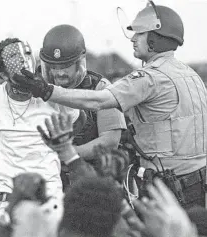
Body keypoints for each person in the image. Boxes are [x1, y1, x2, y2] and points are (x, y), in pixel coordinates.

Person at [12, 3, 207, 208]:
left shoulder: (150, 78)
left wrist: (47, 91)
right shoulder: (190, 75)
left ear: (154, 39)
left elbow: (100, 101)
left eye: (139, 34)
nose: (133, 39)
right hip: (197, 183)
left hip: (169, 188)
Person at [0, 38, 80, 213]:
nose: (23, 60)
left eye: (26, 54)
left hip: (48, 195)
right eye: (15, 58)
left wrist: (47, 92)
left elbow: (79, 118)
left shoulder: (53, 96)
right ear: (3, 75)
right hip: (5, 196)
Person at [38, 25, 126, 188]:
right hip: (48, 181)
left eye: (65, 67)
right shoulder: (39, 88)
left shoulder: (101, 88)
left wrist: (68, 153)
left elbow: (111, 140)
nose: (59, 73)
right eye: (54, 67)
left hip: (90, 180)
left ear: (79, 62)